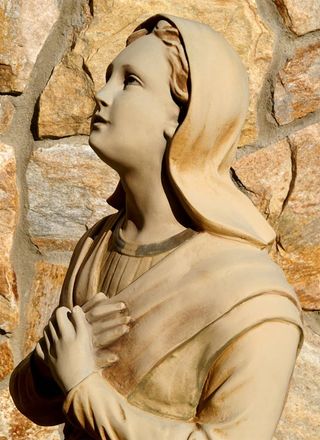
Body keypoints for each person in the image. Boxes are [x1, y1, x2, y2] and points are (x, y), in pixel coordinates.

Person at [10, 14, 304, 440]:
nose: (102, 94)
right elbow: (38, 403)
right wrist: (48, 365)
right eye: (110, 76)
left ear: (186, 116)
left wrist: (84, 386)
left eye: (130, 81)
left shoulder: (252, 296)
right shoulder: (97, 244)